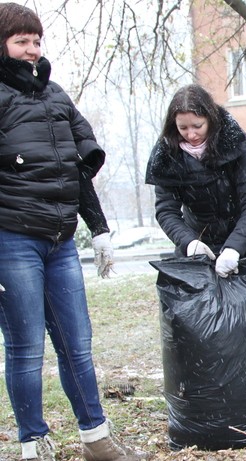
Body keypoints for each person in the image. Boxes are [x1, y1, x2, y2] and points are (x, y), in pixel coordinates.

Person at [0, 3, 141, 460]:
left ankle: (95, 439)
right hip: (11, 239)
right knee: (25, 348)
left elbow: (78, 169)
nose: (31, 50)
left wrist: (98, 228)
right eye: (21, 41)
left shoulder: (55, 96)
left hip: (61, 242)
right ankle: (33, 444)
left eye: (36, 40)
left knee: (76, 344)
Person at [145, 83, 246, 362]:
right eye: (183, 128)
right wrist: (190, 243)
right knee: (207, 327)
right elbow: (166, 211)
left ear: (211, 120)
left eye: (198, 126)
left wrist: (234, 249)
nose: (191, 134)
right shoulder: (167, 156)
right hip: (200, 254)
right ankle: (220, 394)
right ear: (173, 126)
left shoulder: (234, 145)